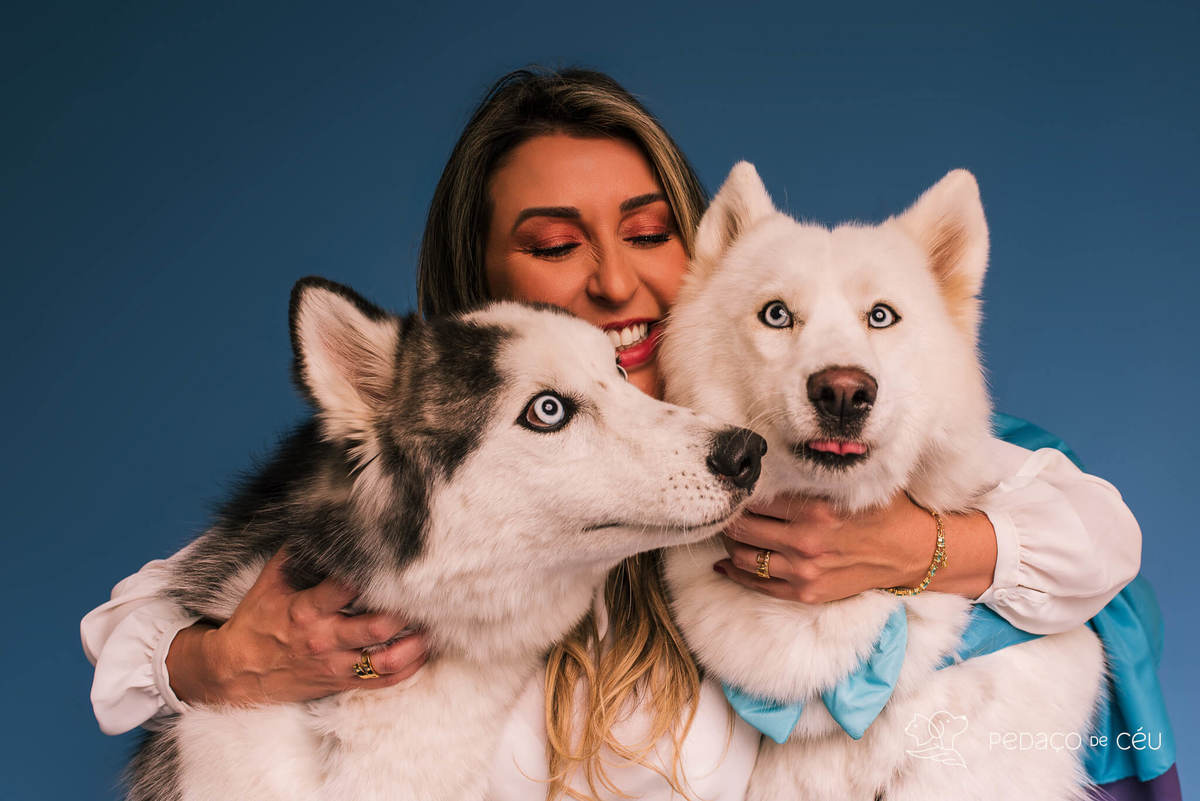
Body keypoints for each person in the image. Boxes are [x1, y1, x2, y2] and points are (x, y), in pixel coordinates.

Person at [82, 68, 1144, 800]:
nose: (614, 281)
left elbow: (1097, 537)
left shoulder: (793, 447)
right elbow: (140, 627)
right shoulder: (439, 488)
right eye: (555, 245)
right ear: (482, 286)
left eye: (647, 232)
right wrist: (214, 659)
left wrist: (919, 548)